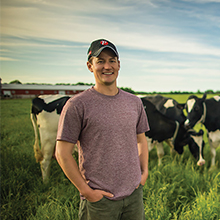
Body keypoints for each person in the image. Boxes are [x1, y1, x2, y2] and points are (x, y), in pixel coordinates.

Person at [55, 39, 149, 220]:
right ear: (90, 66)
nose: (107, 66)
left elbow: (141, 139)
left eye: (112, 60)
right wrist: (87, 192)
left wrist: (144, 173)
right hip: (100, 202)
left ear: (119, 65)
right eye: (100, 61)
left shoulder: (134, 102)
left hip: (134, 196)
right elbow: (62, 153)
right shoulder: (77, 105)